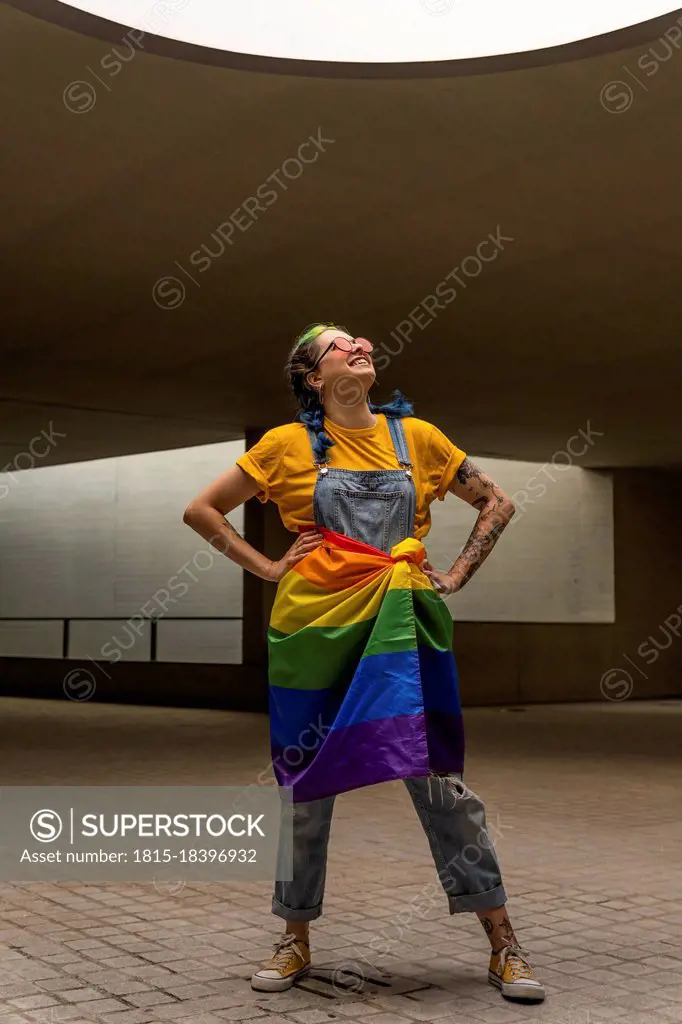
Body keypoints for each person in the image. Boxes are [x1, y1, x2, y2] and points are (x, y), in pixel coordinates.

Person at [183, 323, 545, 1004]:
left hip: (403, 627)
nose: (359, 347)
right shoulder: (284, 446)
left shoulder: (421, 439)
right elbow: (201, 509)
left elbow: (499, 501)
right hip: (314, 629)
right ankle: (294, 937)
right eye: (339, 344)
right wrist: (264, 566)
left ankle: (505, 944)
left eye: (362, 343)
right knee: (305, 789)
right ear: (313, 378)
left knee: (443, 786)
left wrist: (457, 574)